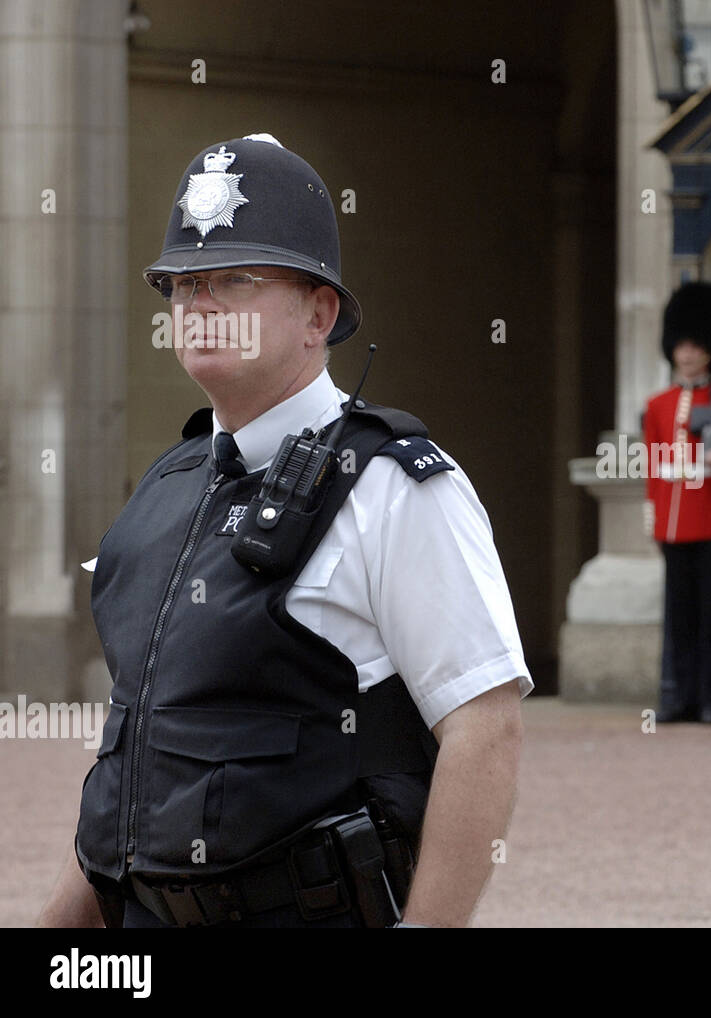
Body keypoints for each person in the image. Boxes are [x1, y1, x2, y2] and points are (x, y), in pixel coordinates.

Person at [36, 134, 530, 927]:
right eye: (184, 283)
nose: (199, 305)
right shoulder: (166, 490)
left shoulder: (392, 486)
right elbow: (130, 772)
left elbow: (485, 726)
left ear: (318, 312)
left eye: (234, 279)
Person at [643, 281, 711, 723]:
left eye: (695, 346)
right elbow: (652, 465)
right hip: (673, 522)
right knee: (679, 617)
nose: (686, 355)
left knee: (710, 617)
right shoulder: (658, 405)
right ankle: (678, 696)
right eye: (681, 346)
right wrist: (653, 518)